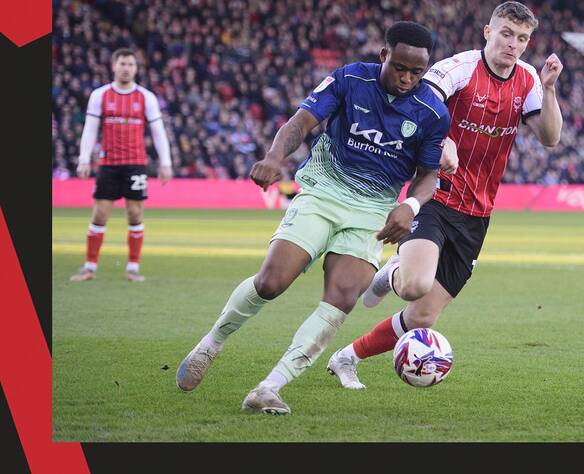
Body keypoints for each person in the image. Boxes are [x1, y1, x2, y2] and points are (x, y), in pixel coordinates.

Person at [175, 21, 451, 414]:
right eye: (400, 67)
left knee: (341, 298)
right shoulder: (350, 79)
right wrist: (274, 157)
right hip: (322, 192)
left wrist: (410, 207)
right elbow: (301, 122)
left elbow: (428, 177)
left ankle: (270, 387)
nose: (407, 78)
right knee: (271, 283)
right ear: (383, 55)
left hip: (372, 212)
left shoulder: (432, 112)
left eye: (417, 71)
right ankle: (210, 344)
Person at [325, 1, 564, 389]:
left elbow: (551, 138)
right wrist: (446, 141)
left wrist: (550, 89)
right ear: (488, 31)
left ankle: (346, 358)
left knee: (422, 317)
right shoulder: (458, 68)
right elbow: (422, 104)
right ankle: (397, 272)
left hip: (478, 212)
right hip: (436, 194)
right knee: (415, 285)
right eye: (505, 33)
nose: (513, 44)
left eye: (521, 38)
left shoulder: (528, 80)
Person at [69, 48, 173, 283]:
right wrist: (84, 158)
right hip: (109, 164)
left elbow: (158, 132)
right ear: (113, 66)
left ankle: (133, 269)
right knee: (100, 214)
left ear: (136, 68)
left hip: (136, 164)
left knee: (135, 214)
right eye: (122, 63)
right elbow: (90, 128)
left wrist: (165, 163)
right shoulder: (100, 95)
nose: (126, 68)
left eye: (130, 64)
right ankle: (89, 268)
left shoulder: (146, 97)